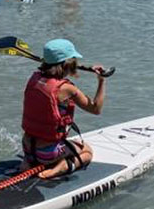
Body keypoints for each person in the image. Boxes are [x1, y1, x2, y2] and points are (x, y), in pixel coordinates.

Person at [20, 39, 108, 179]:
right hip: (47, 153)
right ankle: (61, 167)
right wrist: (101, 80)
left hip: (27, 148)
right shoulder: (67, 89)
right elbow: (96, 108)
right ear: (66, 64)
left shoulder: (34, 79)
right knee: (87, 152)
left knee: (49, 142)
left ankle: (28, 163)